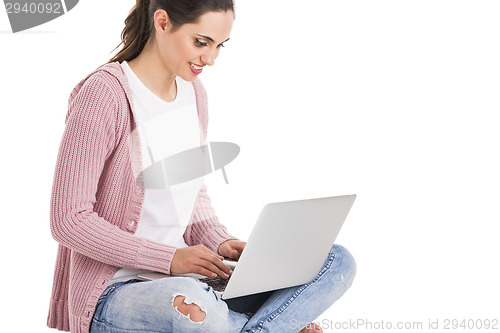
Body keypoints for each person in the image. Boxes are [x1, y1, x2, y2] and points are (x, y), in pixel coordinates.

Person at [46, 0, 357, 332]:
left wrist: (220, 242)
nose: (211, 59)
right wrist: (168, 259)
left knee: (335, 261)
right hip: (121, 292)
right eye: (201, 42)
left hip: (194, 281)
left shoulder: (194, 94)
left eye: (220, 45)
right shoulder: (104, 94)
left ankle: (249, 325)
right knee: (195, 304)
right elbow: (68, 221)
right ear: (162, 22)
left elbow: (189, 193)